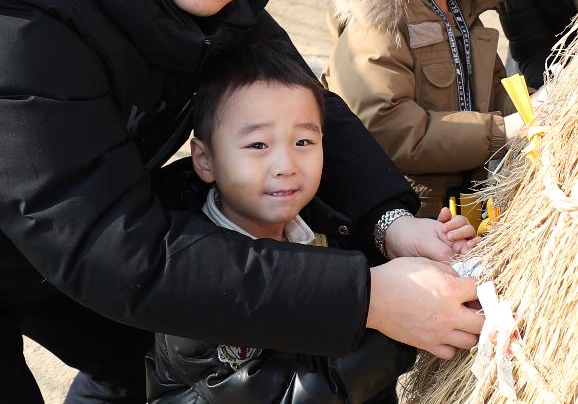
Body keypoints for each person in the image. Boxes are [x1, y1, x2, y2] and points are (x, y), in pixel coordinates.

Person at [0, 0, 484, 404]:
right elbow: (115, 250)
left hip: (70, 238)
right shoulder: (20, 14)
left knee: (167, 372)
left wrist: (388, 222)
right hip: (81, 235)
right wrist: (367, 296)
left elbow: (302, 102)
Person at [147, 41, 460, 403]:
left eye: (303, 141)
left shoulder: (329, 224)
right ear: (205, 159)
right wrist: (399, 324)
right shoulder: (194, 276)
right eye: (258, 146)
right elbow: (277, 396)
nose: (286, 165)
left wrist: (435, 261)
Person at [320, 0, 520, 219]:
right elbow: (387, 127)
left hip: (456, 212)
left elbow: (495, 95)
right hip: (392, 213)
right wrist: (502, 130)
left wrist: (532, 109)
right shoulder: (381, 15)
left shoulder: (467, 10)